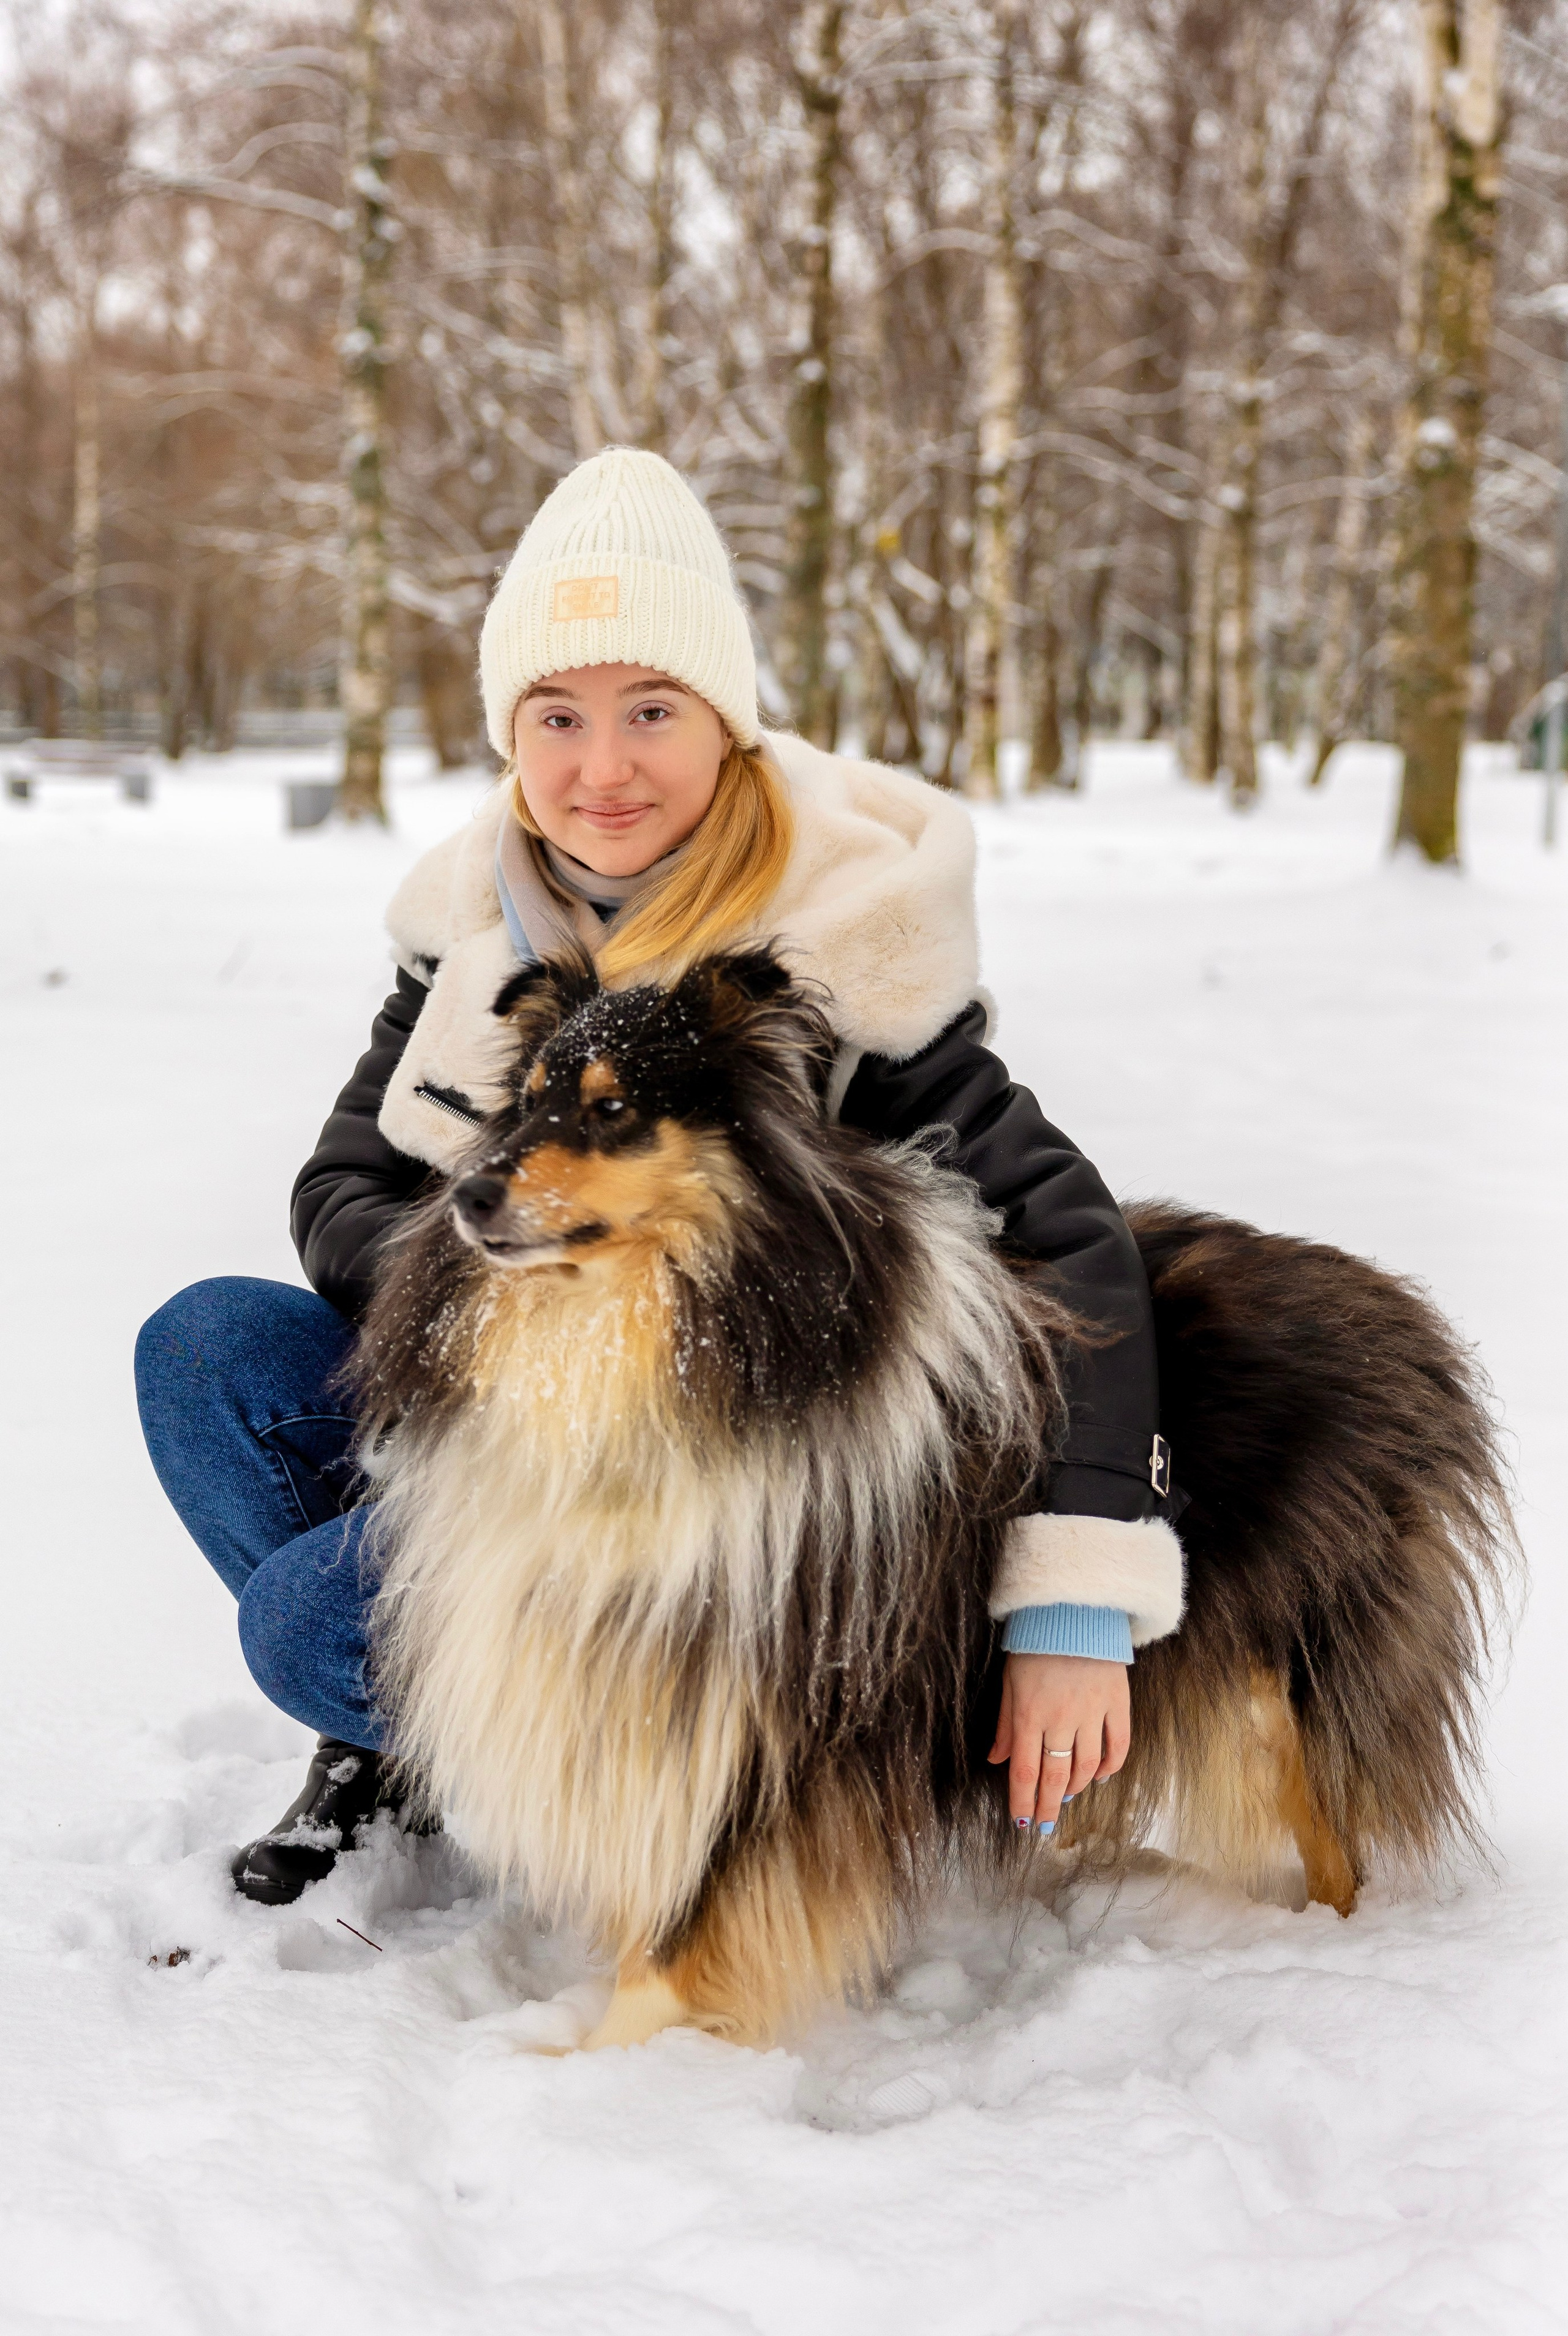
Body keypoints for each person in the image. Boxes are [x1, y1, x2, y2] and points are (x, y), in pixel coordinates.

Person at [135, 448, 1183, 1907]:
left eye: (649, 710)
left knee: (315, 1622)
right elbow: (343, 1185)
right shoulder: (475, 924)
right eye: (556, 716)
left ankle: (491, 1705)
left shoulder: (838, 940)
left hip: (708, 1469)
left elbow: (1068, 1235)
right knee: (206, 1350)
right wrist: (508, 1296)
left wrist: (1073, 1598)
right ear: (513, 735)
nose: (601, 766)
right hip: (515, 1414)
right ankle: (403, 1748)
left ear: (724, 723)